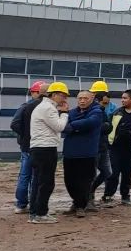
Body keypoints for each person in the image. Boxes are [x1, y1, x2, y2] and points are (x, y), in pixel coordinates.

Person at [28, 82, 70, 224]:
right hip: (45, 148)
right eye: (63, 96)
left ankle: (35, 212)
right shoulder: (48, 108)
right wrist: (64, 113)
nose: (64, 99)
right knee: (46, 182)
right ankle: (41, 213)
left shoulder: (43, 106)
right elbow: (59, 127)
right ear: (55, 94)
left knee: (39, 181)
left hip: (38, 148)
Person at [61, 91, 104, 217]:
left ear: (92, 99)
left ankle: (80, 206)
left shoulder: (97, 111)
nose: (82, 101)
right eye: (80, 98)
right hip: (70, 153)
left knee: (85, 181)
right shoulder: (72, 112)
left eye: (85, 98)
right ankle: (76, 202)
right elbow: (62, 125)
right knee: (69, 180)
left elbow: (90, 122)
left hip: (87, 153)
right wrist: (72, 125)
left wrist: (72, 126)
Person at [9, 80, 46, 215]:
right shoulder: (44, 107)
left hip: (27, 146)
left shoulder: (25, 106)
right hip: (38, 146)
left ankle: (21, 204)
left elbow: (15, 124)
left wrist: (24, 136)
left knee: (25, 175)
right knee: (35, 176)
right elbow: (15, 124)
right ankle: (31, 203)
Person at [88, 82, 116, 207]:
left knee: (107, 172)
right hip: (93, 146)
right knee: (91, 174)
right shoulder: (90, 108)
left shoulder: (108, 108)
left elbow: (109, 126)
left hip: (104, 145)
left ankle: (91, 191)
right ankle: (88, 198)